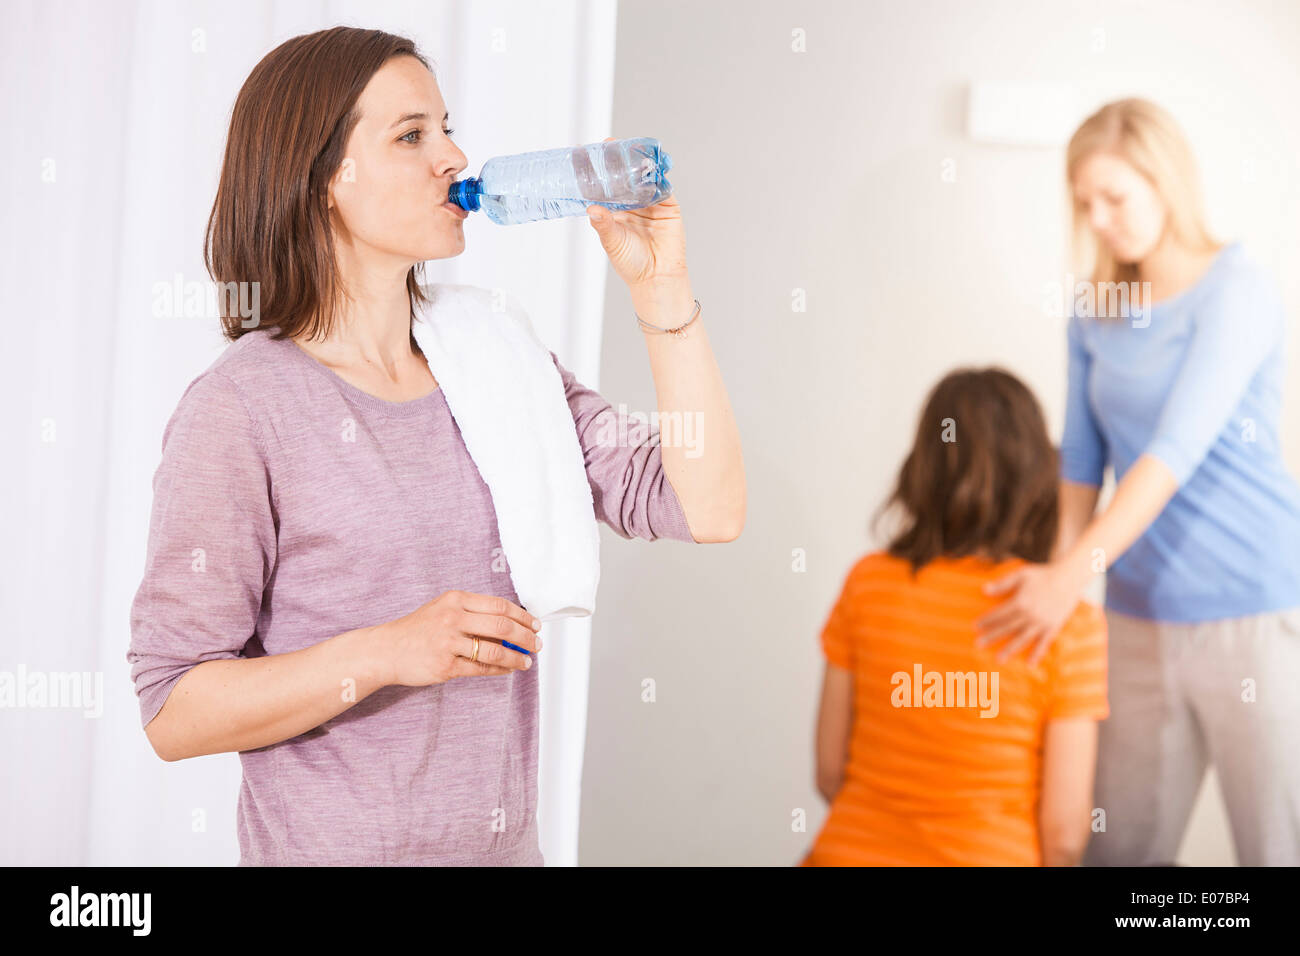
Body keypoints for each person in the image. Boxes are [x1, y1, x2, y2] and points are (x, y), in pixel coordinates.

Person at [126, 26, 745, 865]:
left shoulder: (498, 360)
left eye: (446, 128)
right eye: (412, 136)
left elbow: (705, 505)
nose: (454, 157)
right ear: (323, 182)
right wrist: (386, 651)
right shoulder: (239, 408)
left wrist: (663, 291)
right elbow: (173, 708)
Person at [976, 98, 1300, 865]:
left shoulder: (1238, 292)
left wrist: (1067, 578)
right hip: (1134, 614)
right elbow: (1082, 465)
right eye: (1085, 204)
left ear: (1165, 182)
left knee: (1275, 848)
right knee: (1116, 852)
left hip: (1253, 610)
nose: (1101, 219)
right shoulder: (1095, 314)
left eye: (1115, 197)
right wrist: (1063, 585)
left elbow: (1173, 449)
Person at [803, 369, 1108, 866]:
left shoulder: (867, 584)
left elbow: (829, 772)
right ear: (1036, 475)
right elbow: (1065, 833)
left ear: (922, 467)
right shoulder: (1068, 625)